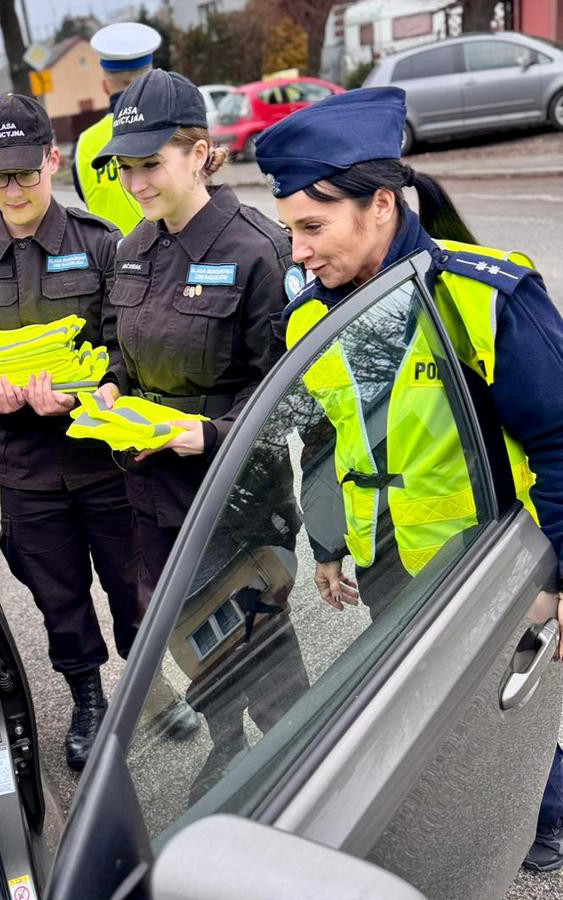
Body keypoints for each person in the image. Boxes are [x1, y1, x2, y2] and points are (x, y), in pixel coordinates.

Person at [253, 85, 563, 873]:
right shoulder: (308, 318)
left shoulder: (483, 297)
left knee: (507, 716)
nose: (297, 251)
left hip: (487, 572)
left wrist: (553, 580)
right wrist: (328, 546)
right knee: (429, 725)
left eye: (312, 227)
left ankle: (545, 821)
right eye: (290, 230)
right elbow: (323, 440)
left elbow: (559, 441)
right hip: (389, 572)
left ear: (382, 204)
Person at [89, 69, 310, 762]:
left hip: (234, 495)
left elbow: (293, 391)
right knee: (193, 641)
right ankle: (226, 755)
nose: (135, 184)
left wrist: (209, 435)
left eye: (150, 164)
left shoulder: (259, 249)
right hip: (153, 493)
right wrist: (110, 387)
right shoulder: (132, 250)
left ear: (199, 153)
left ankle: (298, 772)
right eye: (124, 168)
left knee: (262, 648)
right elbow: (120, 348)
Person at [0, 94, 143, 771]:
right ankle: (88, 702)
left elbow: (127, 348)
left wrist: (86, 391)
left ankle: (148, 692)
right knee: (58, 598)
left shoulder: (100, 245)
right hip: (26, 472)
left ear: (52, 160)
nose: (14, 190)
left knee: (134, 588)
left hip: (105, 462)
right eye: (0, 177)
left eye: (25, 173)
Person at [71, 22, 160, 235]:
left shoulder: (83, 144)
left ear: (105, 86)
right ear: (154, 79)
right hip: (173, 253)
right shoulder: (171, 127)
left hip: (112, 254)